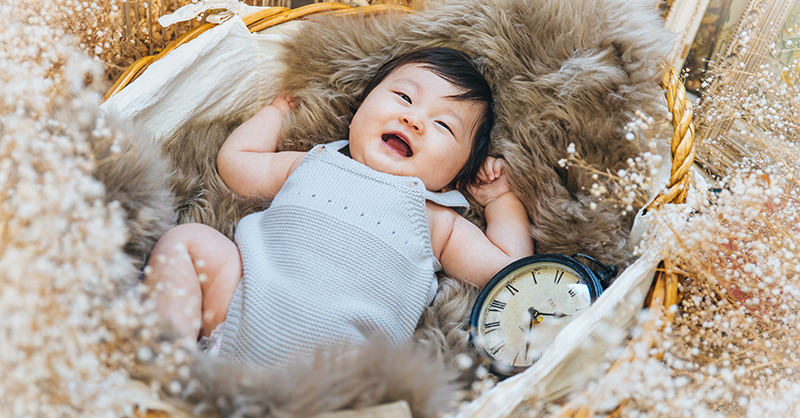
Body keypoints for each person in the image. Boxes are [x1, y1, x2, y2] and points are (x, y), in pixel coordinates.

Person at [146, 47, 534, 367]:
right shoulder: (312, 163)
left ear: (455, 177)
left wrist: (499, 199)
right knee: (188, 241)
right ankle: (164, 363)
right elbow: (238, 164)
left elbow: (510, 270)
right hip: (241, 314)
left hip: (335, 371)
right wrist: (276, 114)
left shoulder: (435, 219)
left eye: (443, 126)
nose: (413, 119)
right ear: (360, 107)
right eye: (403, 97)